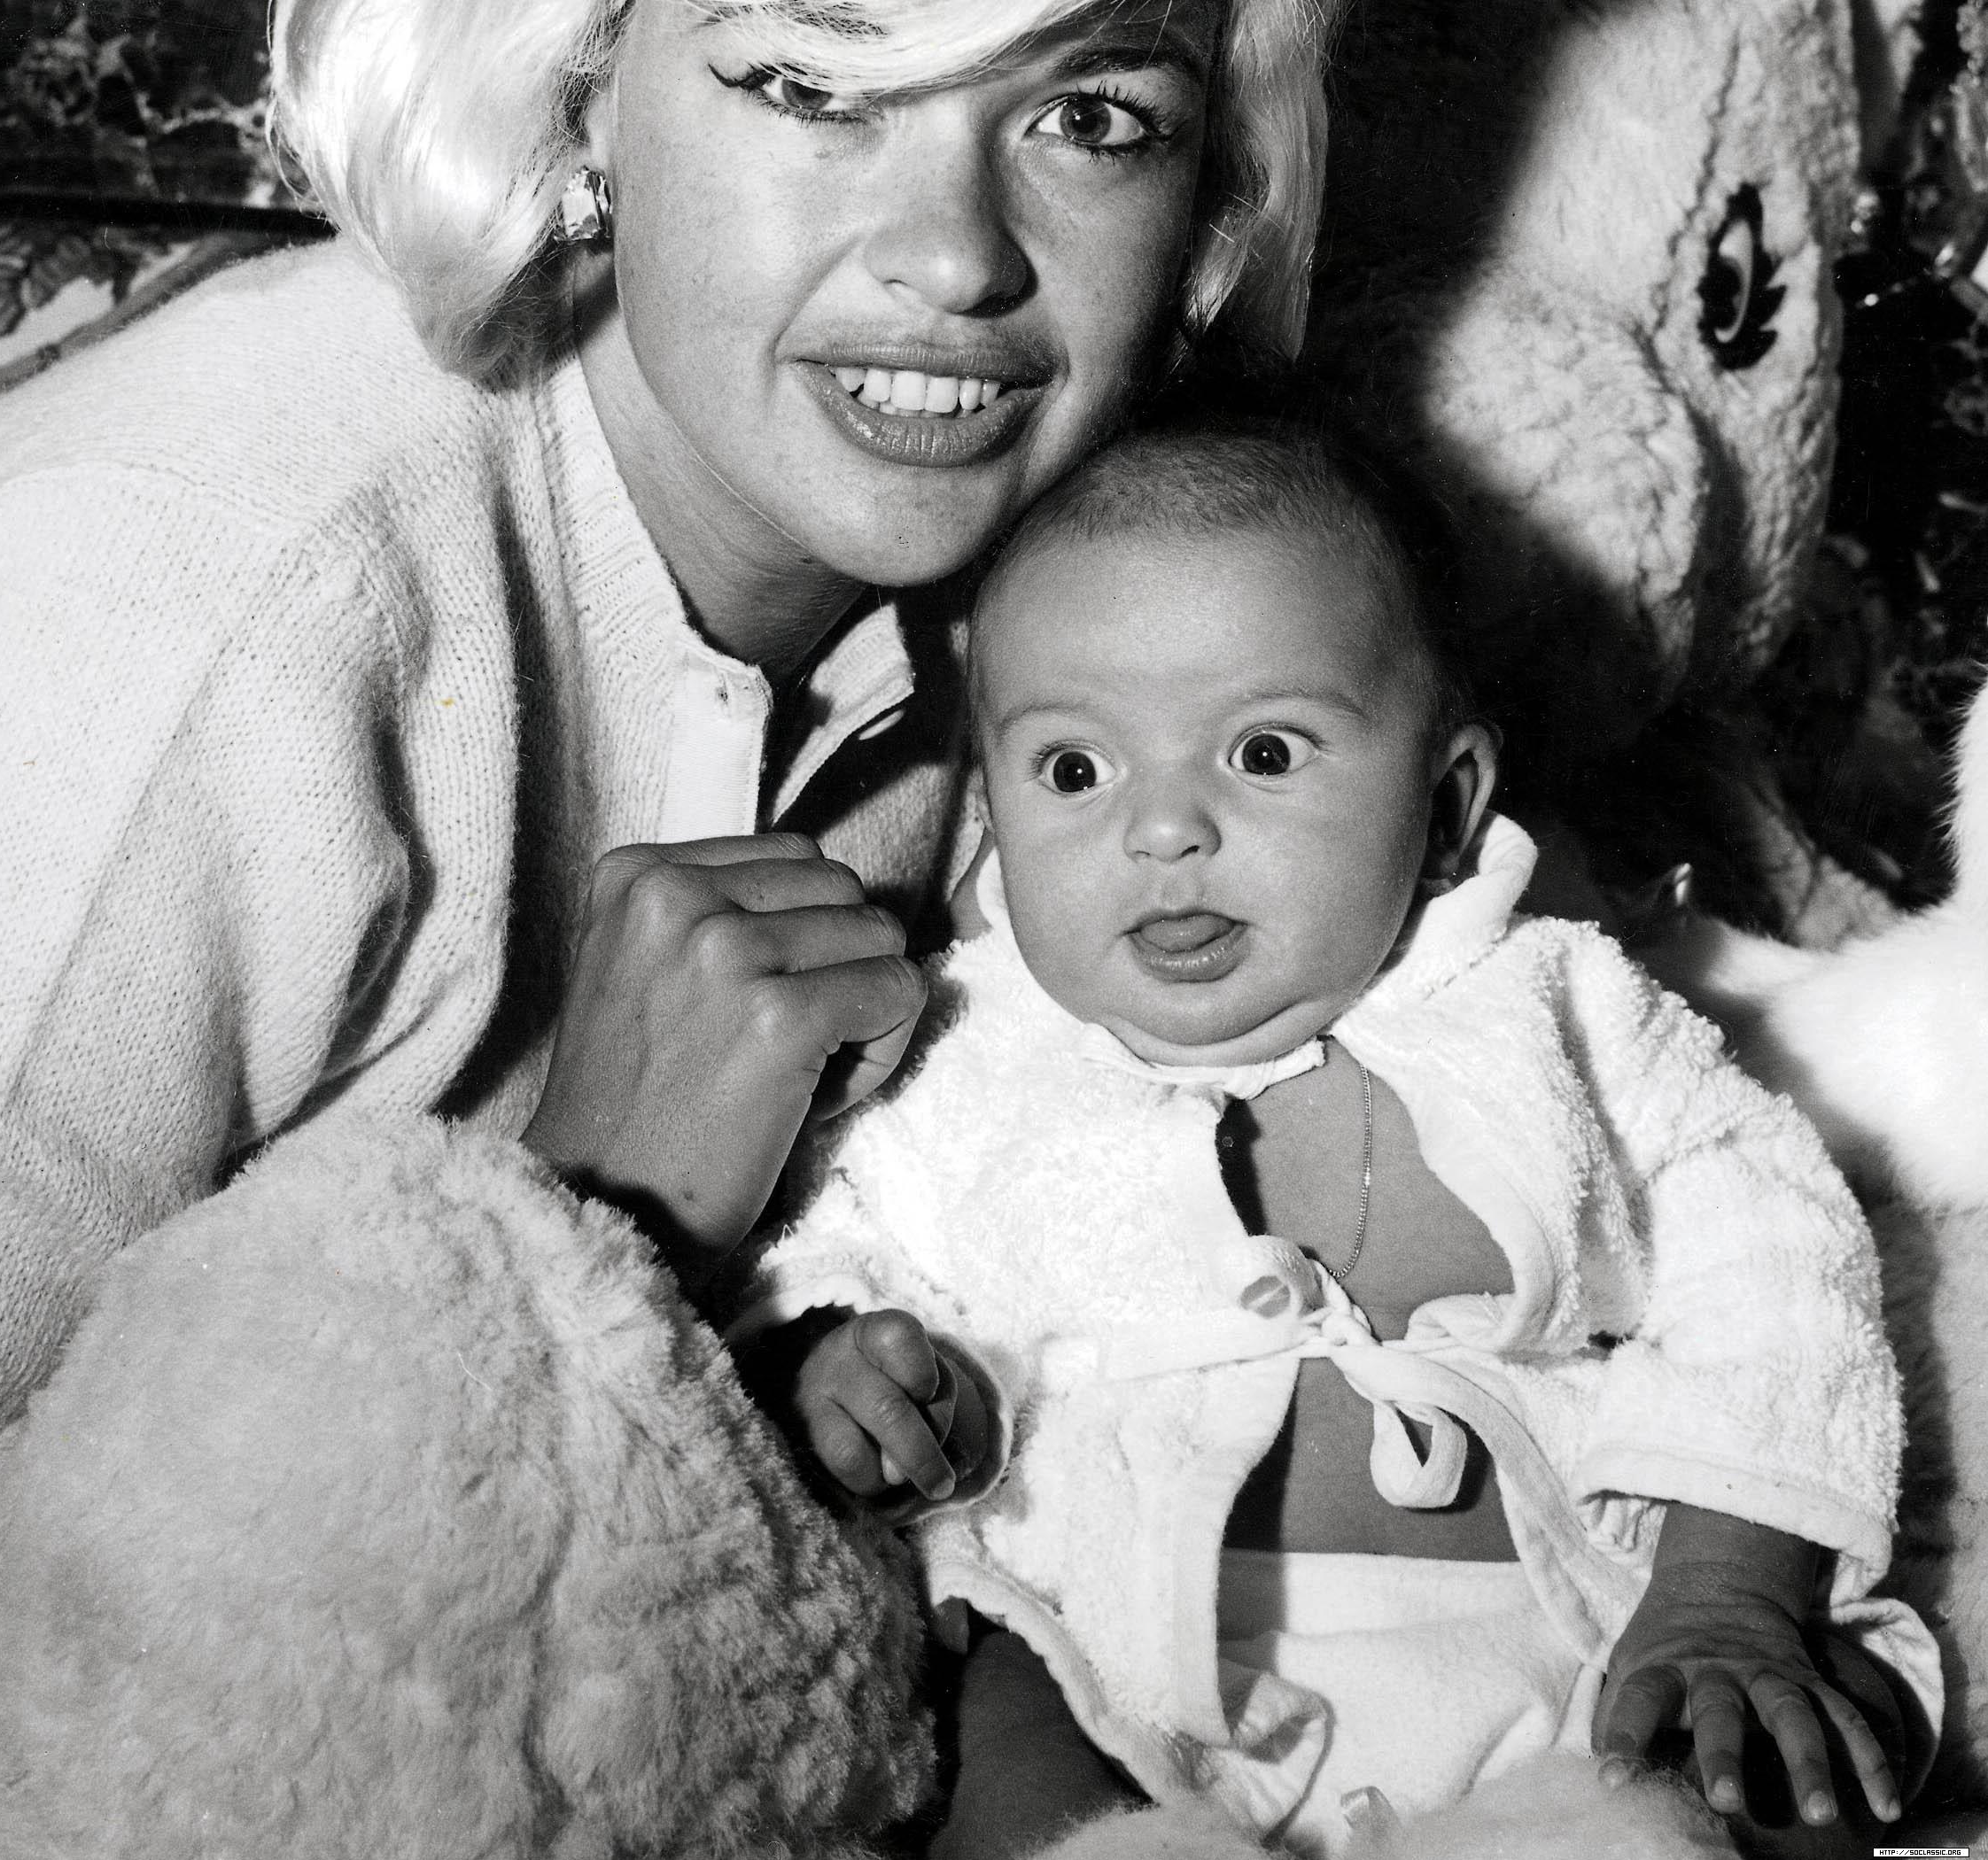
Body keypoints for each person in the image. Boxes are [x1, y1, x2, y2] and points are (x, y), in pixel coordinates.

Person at [0, 0, 1421, 1851]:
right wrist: (582, 1218)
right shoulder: (186, 605)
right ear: (578, 69)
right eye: (812, 76)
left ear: (1219, 187)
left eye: (1086, 112)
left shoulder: (1060, 623)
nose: (952, 257)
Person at [738, 423, 1943, 1858]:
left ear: (1445, 803)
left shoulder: (1555, 1009)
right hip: (1122, 1660)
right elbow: (827, 1250)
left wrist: (1724, 1589)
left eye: (1262, 753)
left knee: (1774, 1766)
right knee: (993, 1713)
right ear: (990, 808)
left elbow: (1775, 1248)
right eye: (1071, 768)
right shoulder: (964, 1057)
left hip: (1565, 1640)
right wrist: (845, 1360)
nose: (1163, 828)